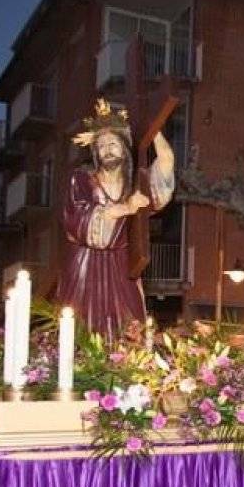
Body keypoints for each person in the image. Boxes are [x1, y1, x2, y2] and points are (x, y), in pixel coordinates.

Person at [59, 98, 175, 338]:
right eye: (101, 146)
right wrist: (125, 208)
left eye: (113, 143)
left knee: (129, 326)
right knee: (82, 330)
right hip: (85, 266)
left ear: (124, 148)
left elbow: (166, 163)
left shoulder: (135, 185)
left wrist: (154, 131)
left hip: (122, 267)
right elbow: (76, 219)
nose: (107, 149)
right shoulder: (82, 179)